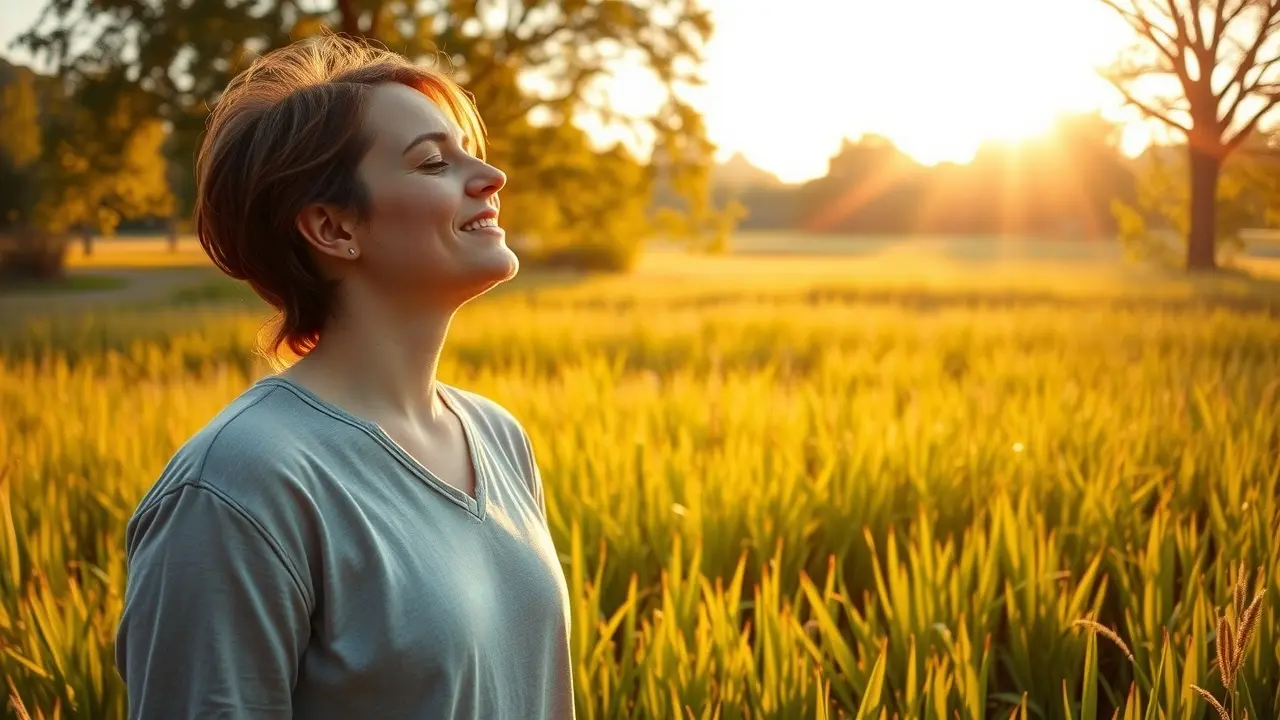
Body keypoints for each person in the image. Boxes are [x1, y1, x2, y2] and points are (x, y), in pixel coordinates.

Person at [114, 33, 574, 720]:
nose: (491, 176)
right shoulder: (239, 487)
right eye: (433, 162)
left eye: (468, 150)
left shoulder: (497, 437)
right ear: (333, 228)